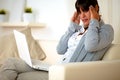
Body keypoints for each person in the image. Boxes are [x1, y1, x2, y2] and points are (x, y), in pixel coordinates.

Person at [0, 0, 114, 80]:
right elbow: (60, 49)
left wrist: (94, 20)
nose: (82, 16)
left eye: (86, 11)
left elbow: (90, 45)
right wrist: (72, 26)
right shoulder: (77, 30)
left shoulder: (106, 30)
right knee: (10, 63)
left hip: (65, 73)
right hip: (54, 67)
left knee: (21, 77)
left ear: (96, 9)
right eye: (80, 12)